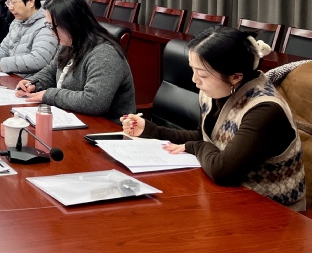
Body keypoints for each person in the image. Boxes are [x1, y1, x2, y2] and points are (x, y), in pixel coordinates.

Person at [121, 26, 305, 211]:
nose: (195, 80)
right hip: (227, 198)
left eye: (202, 74)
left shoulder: (264, 110)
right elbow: (204, 136)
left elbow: (222, 170)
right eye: (193, 70)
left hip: (274, 210)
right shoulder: (216, 91)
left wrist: (195, 146)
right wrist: (151, 130)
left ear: (235, 77)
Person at [16, 0, 136, 119]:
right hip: (74, 118)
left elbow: (94, 102)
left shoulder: (105, 54)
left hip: (107, 127)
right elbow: (51, 71)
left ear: (71, 23)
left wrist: (49, 95)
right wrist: (34, 83)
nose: (51, 32)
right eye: (48, 25)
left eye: (53, 26)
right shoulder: (69, 43)